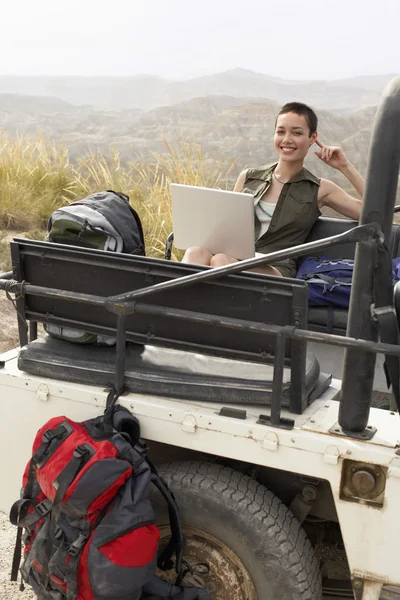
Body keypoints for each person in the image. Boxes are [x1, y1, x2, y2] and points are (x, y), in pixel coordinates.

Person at [182, 102, 364, 277]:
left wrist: (344, 166)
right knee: (195, 252)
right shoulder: (248, 178)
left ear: (312, 138)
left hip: (275, 269)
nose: (287, 140)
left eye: (297, 133)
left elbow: (373, 211)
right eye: (281, 132)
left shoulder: (320, 188)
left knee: (222, 261)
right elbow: (229, 228)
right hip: (233, 258)